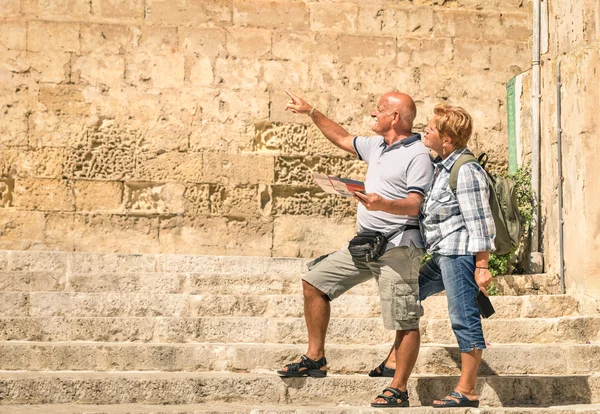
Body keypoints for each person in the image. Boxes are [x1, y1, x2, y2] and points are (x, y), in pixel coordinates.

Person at [277, 90, 434, 408]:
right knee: (315, 282)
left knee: (404, 319)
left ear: (395, 118)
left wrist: (382, 202)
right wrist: (312, 112)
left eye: (379, 110)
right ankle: (315, 357)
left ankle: (399, 387)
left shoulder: (417, 155)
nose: (373, 114)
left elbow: (416, 204)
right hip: (366, 243)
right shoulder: (377, 146)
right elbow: (343, 138)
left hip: (398, 245)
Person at [372, 104, 495, 408]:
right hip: (442, 255)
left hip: (460, 256)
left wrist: (481, 266)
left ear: (448, 140)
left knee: (464, 318)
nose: (424, 131)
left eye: (431, 128)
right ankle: (394, 357)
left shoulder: (465, 170)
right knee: (409, 295)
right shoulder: (441, 166)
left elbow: (480, 222)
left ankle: (467, 390)